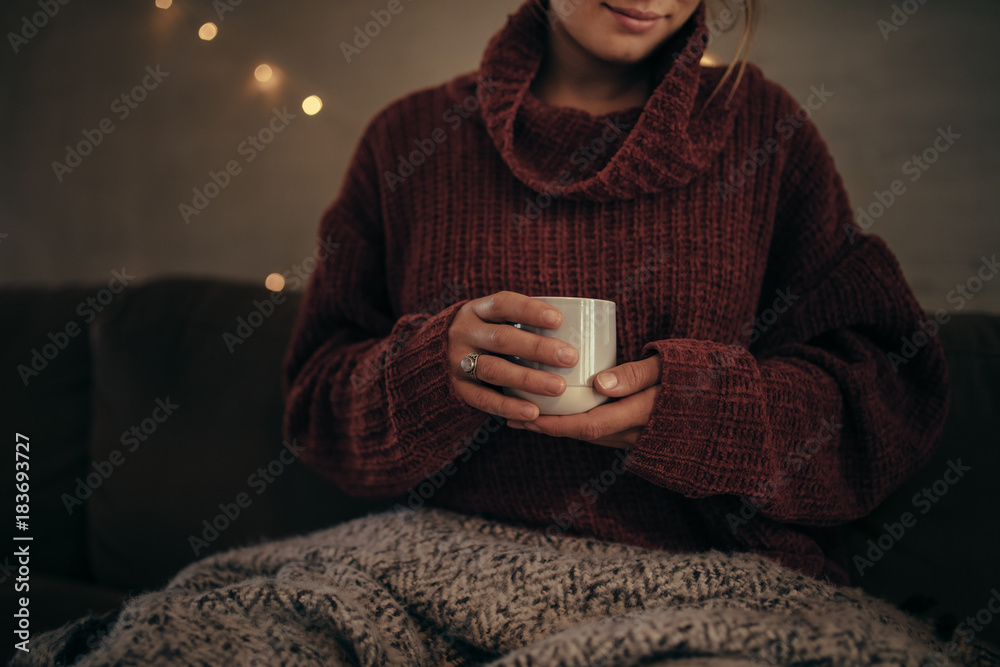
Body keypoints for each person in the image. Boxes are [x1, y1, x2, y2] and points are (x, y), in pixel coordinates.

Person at [281, 0, 949, 585]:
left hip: (709, 578)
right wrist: (430, 374)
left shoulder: (763, 132)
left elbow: (889, 396)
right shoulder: (407, 140)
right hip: (436, 566)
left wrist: (703, 414)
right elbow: (316, 409)